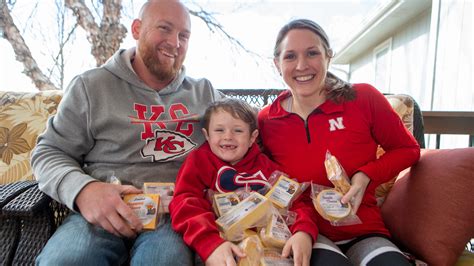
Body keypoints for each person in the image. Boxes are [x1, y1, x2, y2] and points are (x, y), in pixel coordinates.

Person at [31, 0, 224, 265]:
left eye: (184, 35)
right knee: (67, 260)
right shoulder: (91, 86)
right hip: (99, 213)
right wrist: (84, 191)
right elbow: (49, 151)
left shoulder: (205, 94)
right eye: (164, 29)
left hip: (172, 214)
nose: (175, 42)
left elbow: (252, 127)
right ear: (136, 29)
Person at [258, 19, 420, 266]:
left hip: (365, 229)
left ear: (328, 57)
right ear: (277, 65)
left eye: (312, 53)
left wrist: (366, 174)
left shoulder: (363, 98)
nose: (302, 65)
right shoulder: (266, 119)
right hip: (309, 232)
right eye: (290, 56)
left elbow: (408, 149)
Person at [170, 98, 279, 266]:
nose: (228, 136)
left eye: (238, 130)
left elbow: (292, 198)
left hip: (265, 244)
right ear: (207, 135)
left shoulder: (266, 167)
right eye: (219, 130)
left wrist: (302, 231)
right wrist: (209, 243)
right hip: (216, 244)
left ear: (252, 137)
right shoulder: (199, 161)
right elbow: (184, 202)